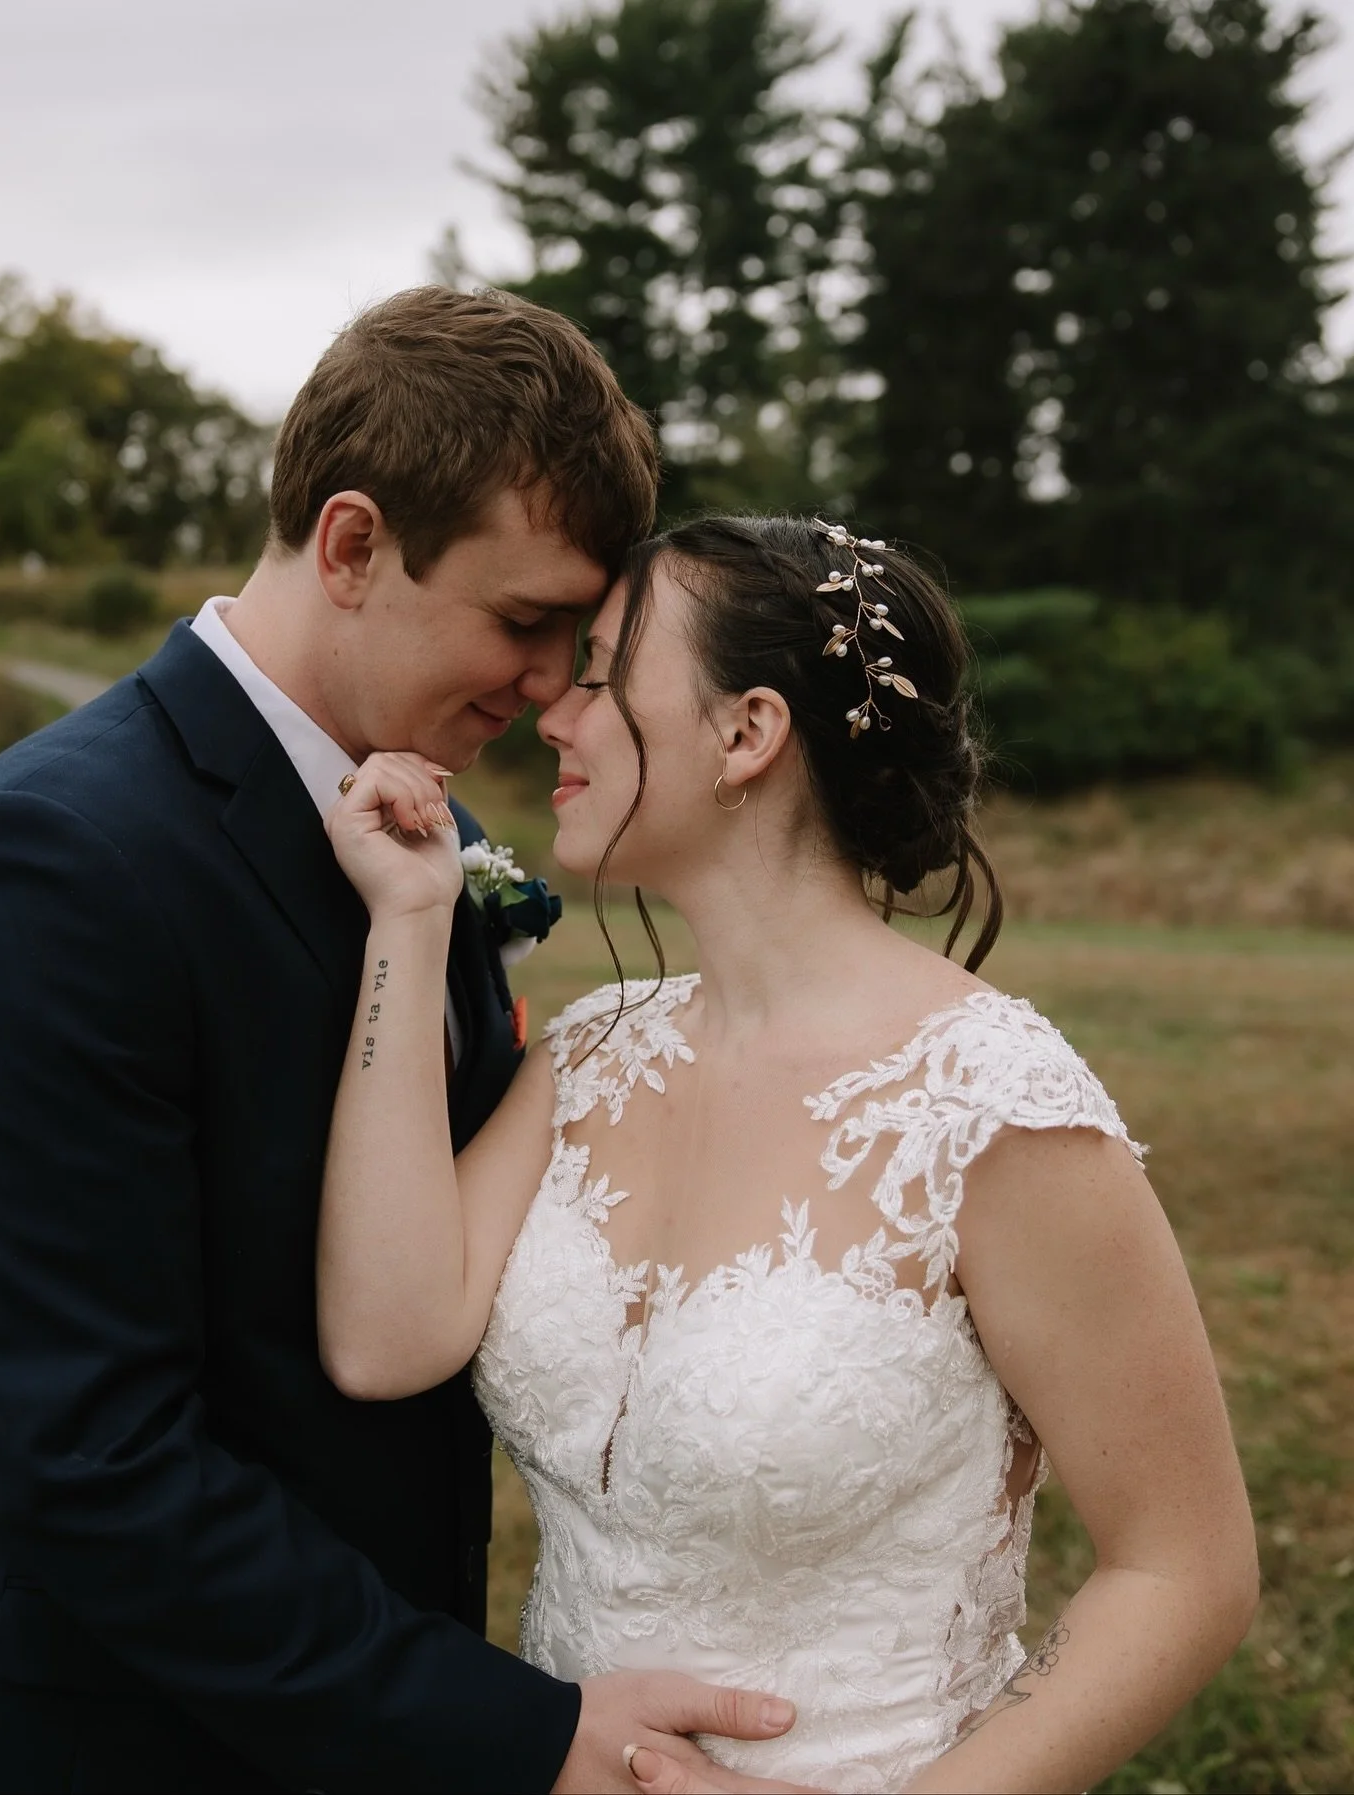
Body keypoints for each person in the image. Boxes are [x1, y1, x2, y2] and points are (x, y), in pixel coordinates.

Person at [0, 290, 802, 1793]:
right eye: (523, 622)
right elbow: (83, 1453)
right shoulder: (53, 855)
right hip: (120, 1737)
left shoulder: (431, 834)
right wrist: (502, 1729)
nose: (542, 691)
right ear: (349, 545)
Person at [320, 514, 1260, 1795]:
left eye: (601, 674)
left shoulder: (994, 1110)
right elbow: (383, 1336)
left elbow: (1184, 1571)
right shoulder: (592, 1057)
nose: (555, 711)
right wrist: (411, 920)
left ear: (746, 734)